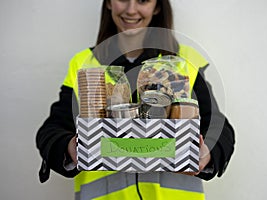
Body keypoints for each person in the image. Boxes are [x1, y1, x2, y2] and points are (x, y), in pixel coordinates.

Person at [36, 0, 235, 199]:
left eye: (142, 0)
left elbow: (217, 126)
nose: (131, 10)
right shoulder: (84, 64)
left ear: (157, 6)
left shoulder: (184, 61)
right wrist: (71, 148)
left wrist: (206, 154)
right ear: (108, 3)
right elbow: (52, 129)